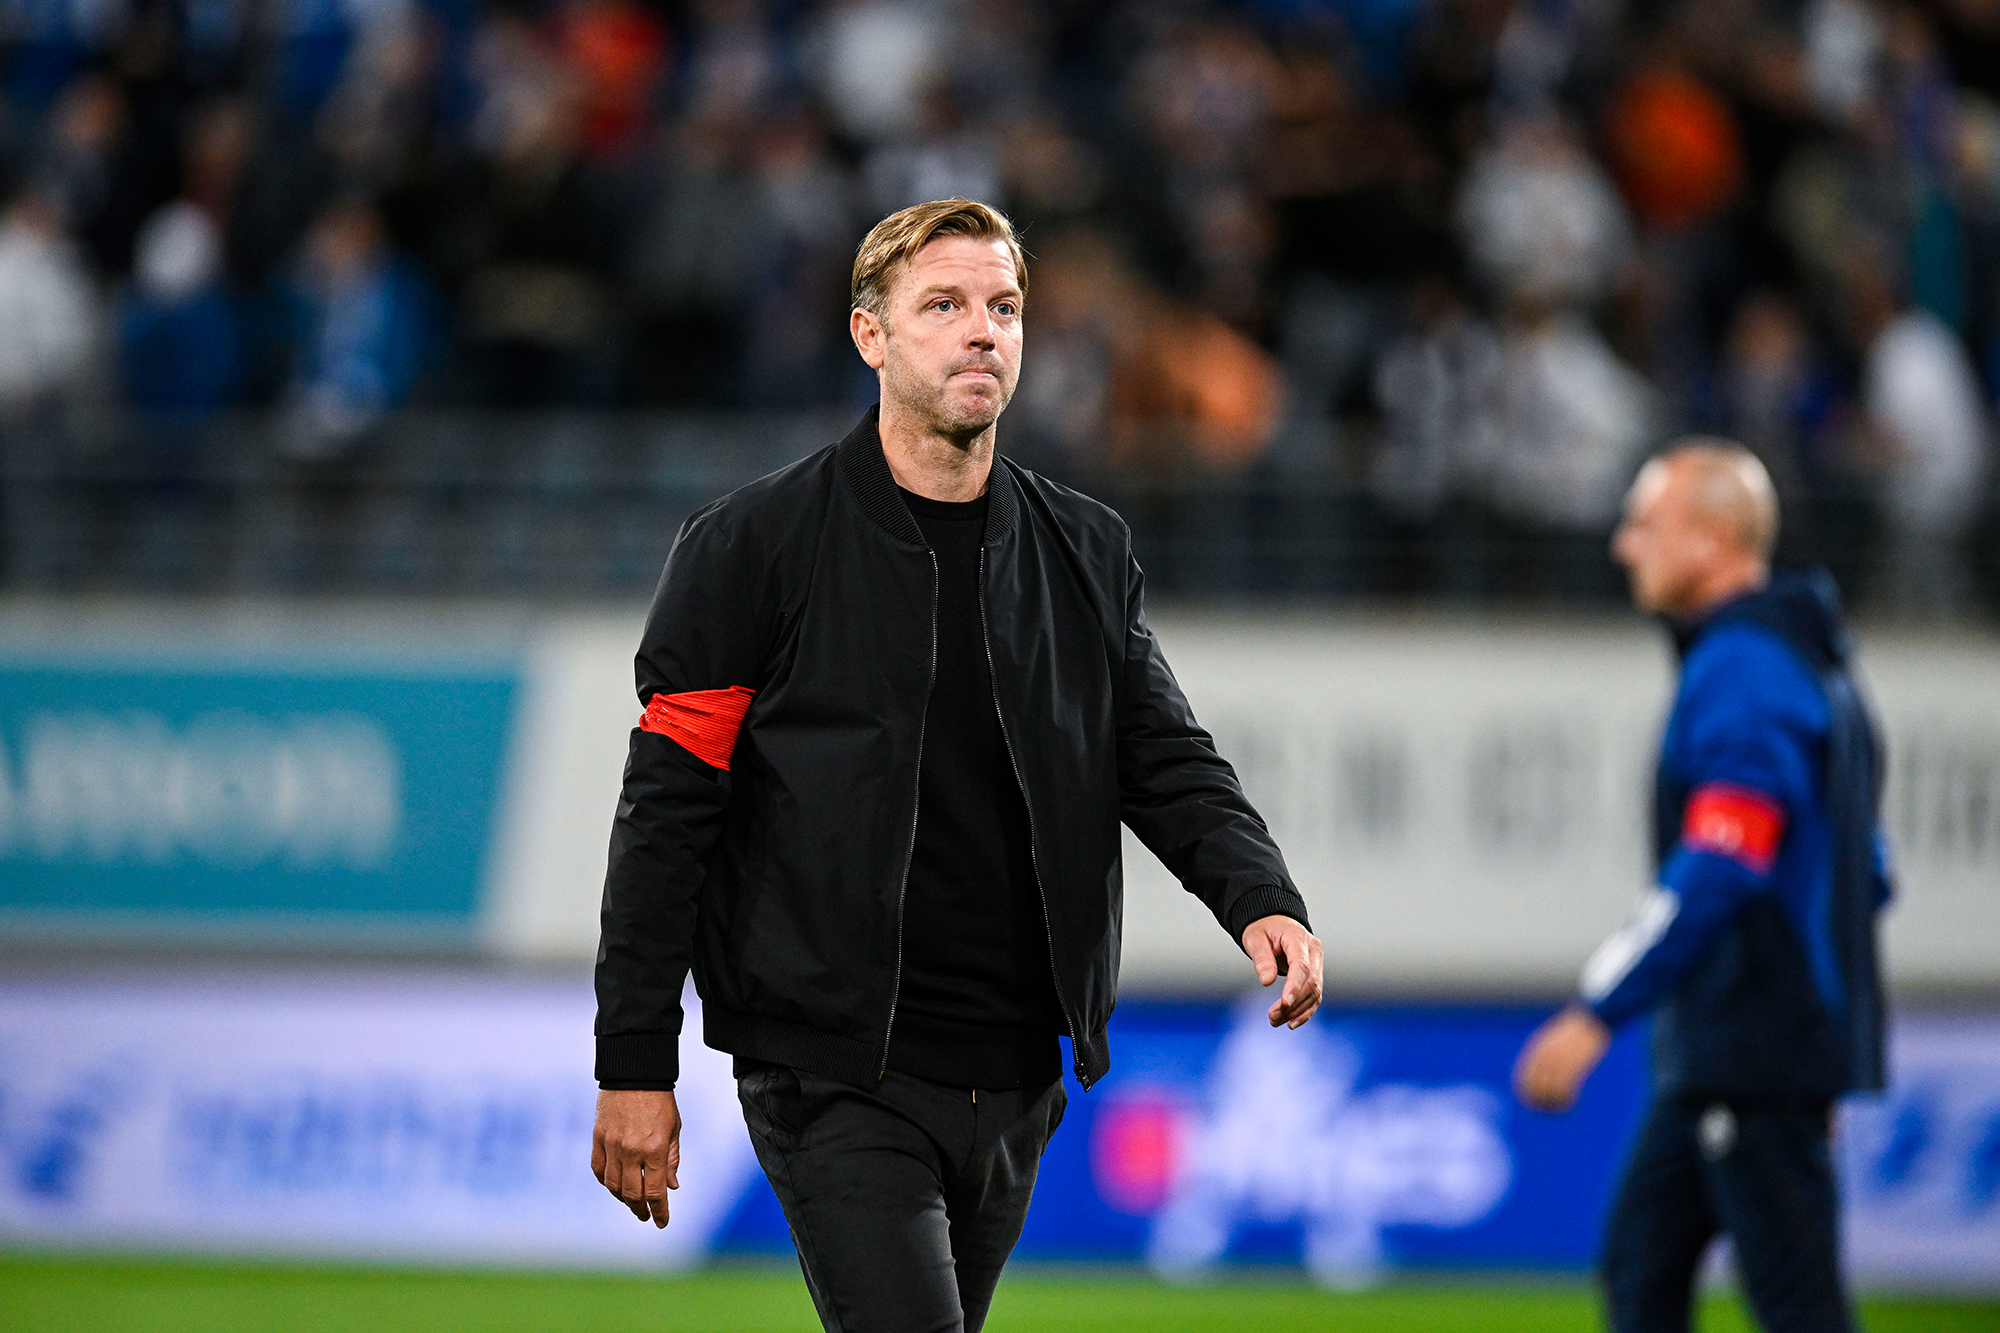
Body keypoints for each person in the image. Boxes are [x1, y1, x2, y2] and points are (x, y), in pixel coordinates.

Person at [591, 198, 1324, 1332]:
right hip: (833, 1069)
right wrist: (632, 1060)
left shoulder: (1085, 550)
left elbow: (1162, 755)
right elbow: (666, 813)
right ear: (869, 335)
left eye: (1004, 308)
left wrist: (1258, 894)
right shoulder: (750, 545)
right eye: (943, 305)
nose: (982, 331)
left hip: (1018, 1074)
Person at [1513, 440, 1891, 1333]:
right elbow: (1866, 871)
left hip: (1753, 1046)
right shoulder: (1810, 663)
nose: (1622, 545)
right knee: (1641, 1270)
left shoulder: (1743, 671)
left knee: (1797, 1308)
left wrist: (1596, 1007)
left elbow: (1724, 861)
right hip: (1738, 1050)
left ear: (1713, 540)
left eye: (1646, 523)